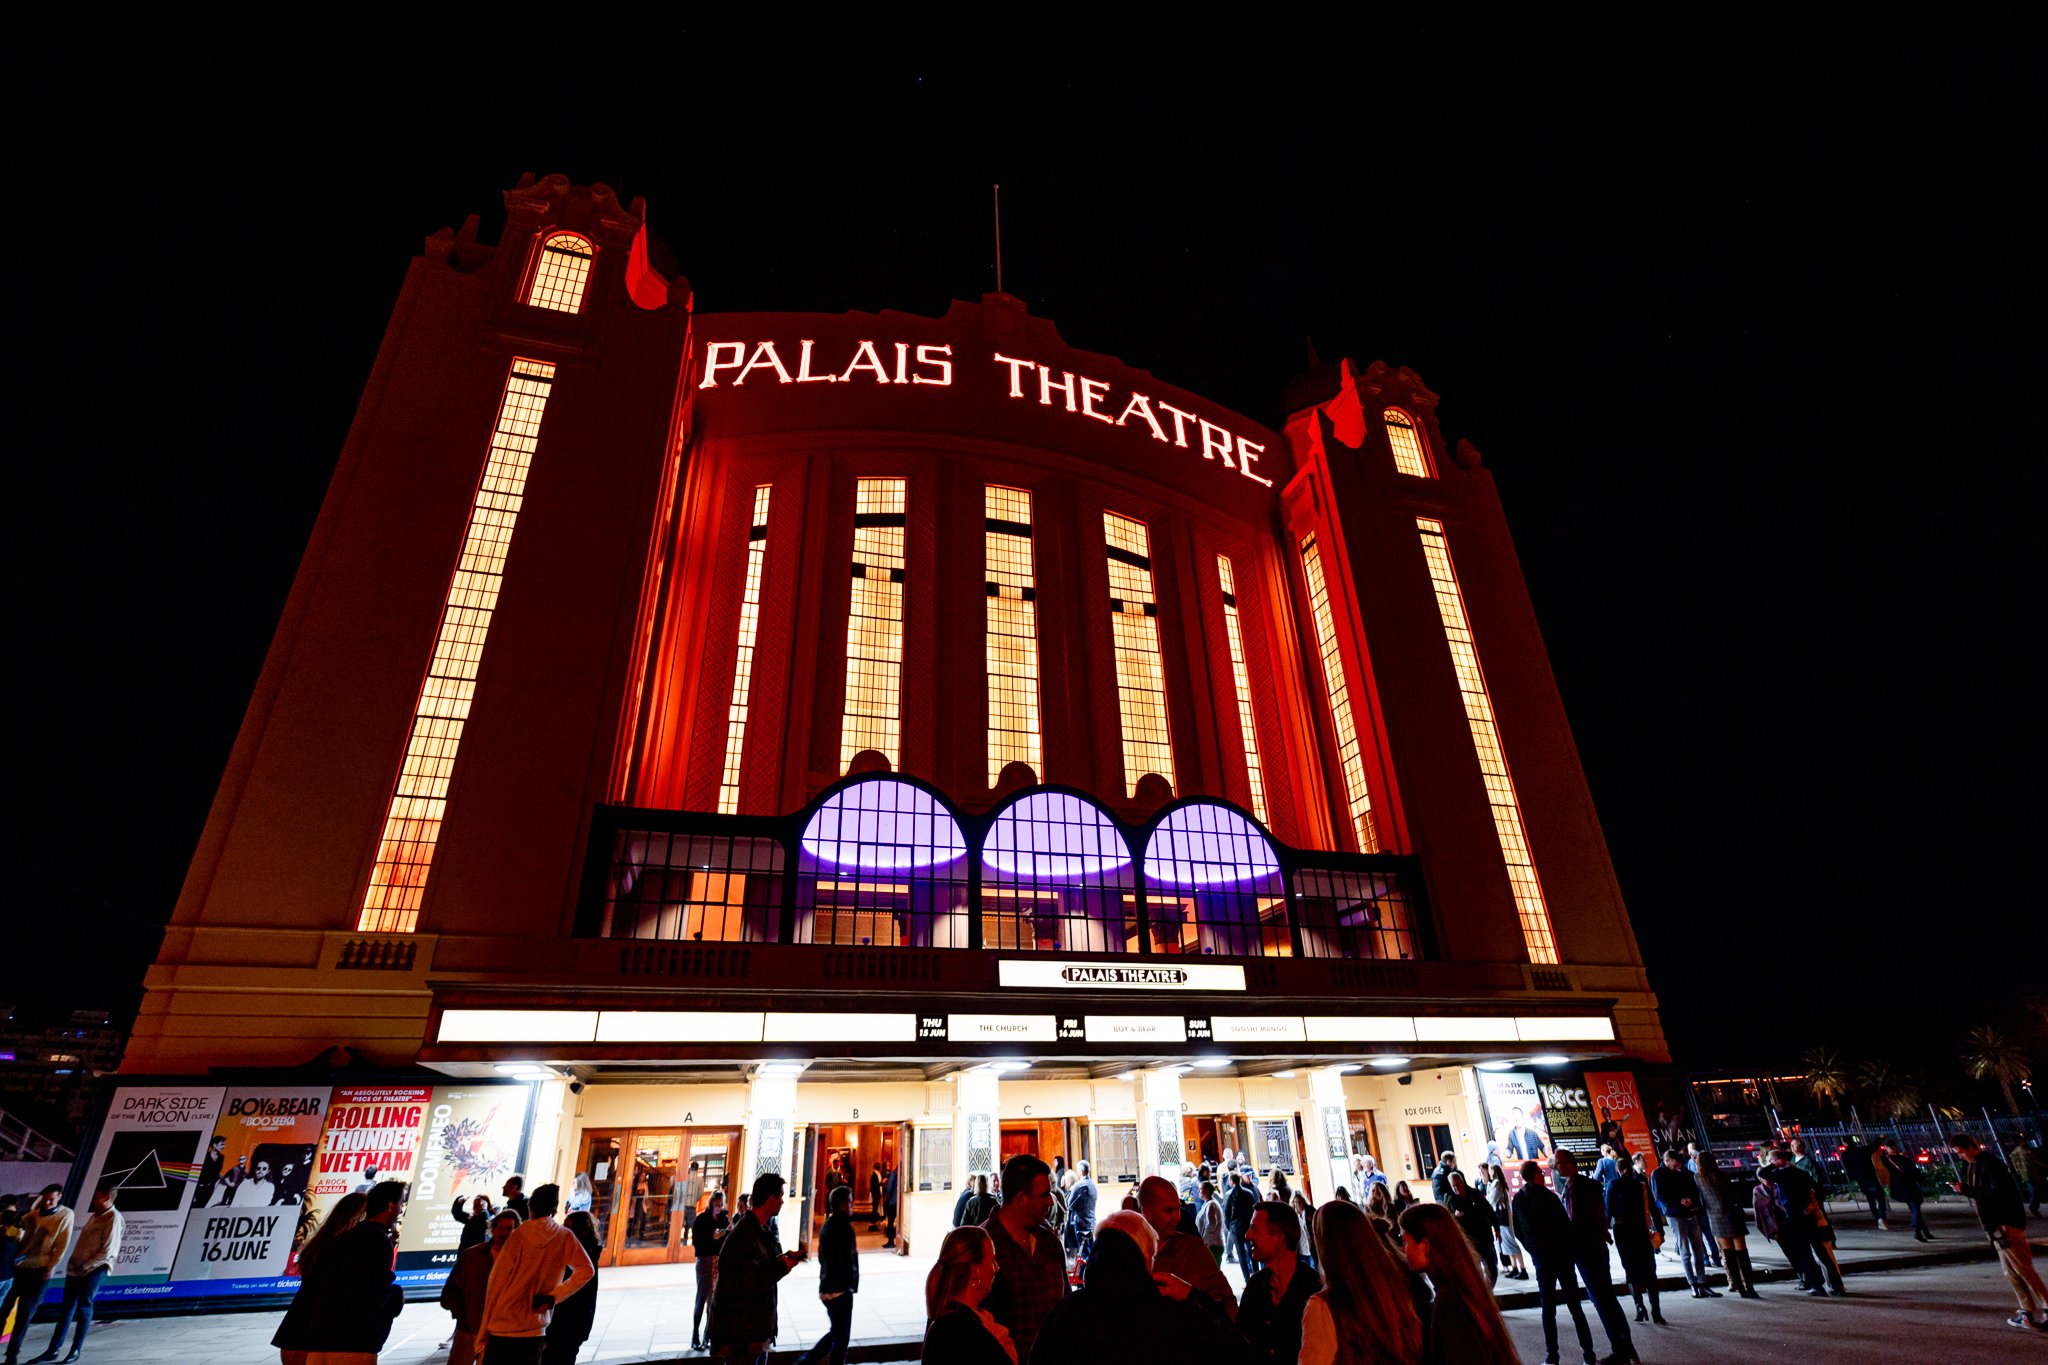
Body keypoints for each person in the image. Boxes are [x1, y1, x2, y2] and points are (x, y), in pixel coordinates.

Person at [1029, 1212, 1243, 1364]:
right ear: (1146, 1258)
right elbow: (1238, 1349)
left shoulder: (1064, 1313)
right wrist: (1192, 1295)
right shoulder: (1174, 1316)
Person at [479, 1182, 595, 1364]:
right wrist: (553, 1297)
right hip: (535, 1325)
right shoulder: (564, 1237)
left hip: (504, 1322)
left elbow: (496, 1281)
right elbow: (587, 1270)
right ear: (554, 1208)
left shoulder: (518, 1235)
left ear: (531, 1207)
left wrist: (482, 1333)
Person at [300, 1179, 407, 1363]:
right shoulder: (377, 1239)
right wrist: (396, 1295)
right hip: (352, 1341)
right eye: (400, 1203)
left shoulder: (345, 1238)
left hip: (321, 1338)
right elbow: (373, 1292)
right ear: (390, 1205)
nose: (400, 1209)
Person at [1949, 1133, 2048, 1331]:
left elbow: (1996, 1194)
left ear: (1971, 1147)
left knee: (2023, 1270)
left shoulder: (1990, 1165)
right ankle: (2026, 1312)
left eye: (1961, 1152)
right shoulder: (1977, 1165)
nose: (1960, 1156)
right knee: (2011, 1272)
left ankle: (2045, 1307)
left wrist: (1966, 1190)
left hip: (2006, 1224)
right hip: (1997, 1226)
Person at [1400, 1202, 1521, 1365]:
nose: (1402, 1249)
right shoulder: (1463, 1286)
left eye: (1405, 1241)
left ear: (1425, 1246)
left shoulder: (1448, 1302)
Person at [978, 1154, 1067, 1363]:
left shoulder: (1050, 1243)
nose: (1050, 1201)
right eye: (1044, 1195)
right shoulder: (982, 1248)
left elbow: (1064, 1307)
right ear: (1021, 1200)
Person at [1549, 1150, 1637, 1363]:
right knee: (1608, 1298)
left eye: (1558, 1163)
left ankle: (1619, 1350)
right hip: (1598, 1246)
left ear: (1568, 1163)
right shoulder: (1590, 1185)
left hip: (1585, 1250)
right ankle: (1627, 1346)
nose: (1556, 1167)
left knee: (1600, 1300)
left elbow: (1575, 1222)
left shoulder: (1574, 1187)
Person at [707, 1173, 802, 1365]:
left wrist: (782, 1260)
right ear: (771, 1199)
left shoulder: (760, 1229)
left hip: (754, 1331)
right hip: (741, 1334)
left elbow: (759, 1267)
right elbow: (750, 1282)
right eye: (781, 1197)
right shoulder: (745, 1235)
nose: (783, 1202)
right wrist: (782, 1267)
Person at [1512, 1160, 1598, 1365]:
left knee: (1548, 1309)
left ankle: (1552, 1356)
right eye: (1540, 1173)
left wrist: (1534, 1251)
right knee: (1575, 1308)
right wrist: (1568, 1251)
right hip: (1561, 1257)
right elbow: (1565, 1226)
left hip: (1542, 1260)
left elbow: (1519, 1231)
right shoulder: (1549, 1197)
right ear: (1535, 1175)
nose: (1543, 1175)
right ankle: (1588, 1354)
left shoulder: (1519, 1199)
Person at [26, 1185, 122, 1363]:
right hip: (77, 1267)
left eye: (98, 1198)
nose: (94, 1200)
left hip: (94, 1269)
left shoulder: (113, 1218)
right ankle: (53, 1349)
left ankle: (75, 1350)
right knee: (66, 1309)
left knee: (84, 1307)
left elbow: (108, 1251)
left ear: (108, 1198)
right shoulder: (96, 1215)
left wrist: (86, 1266)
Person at [1236, 1200, 1323, 1365]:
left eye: (1255, 1229)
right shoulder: (1255, 1285)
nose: (1247, 1235)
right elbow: (1239, 1339)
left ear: (1279, 1239)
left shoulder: (1313, 1287)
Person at [1138, 1175, 1236, 1320]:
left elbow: (1228, 1304)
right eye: (1169, 1211)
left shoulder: (1193, 1249)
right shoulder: (1129, 1252)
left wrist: (1190, 1295)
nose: (1178, 1217)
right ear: (1147, 1212)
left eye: (1178, 1209)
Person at [923, 1227, 1017, 1364]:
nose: (997, 1268)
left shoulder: (951, 1318)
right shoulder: (957, 1330)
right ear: (975, 1270)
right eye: (992, 1260)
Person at [2, 1188, 73, 1365]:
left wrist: (51, 1266)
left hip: (40, 1270)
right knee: (3, 1310)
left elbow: (62, 1244)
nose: (47, 1203)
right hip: (19, 1269)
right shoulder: (31, 1216)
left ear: (59, 1197)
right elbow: (17, 1236)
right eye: (45, 1199)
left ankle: (12, 1354)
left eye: (51, 1199)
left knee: (25, 1314)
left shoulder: (65, 1215)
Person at [1758, 1147, 1842, 1296]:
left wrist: (1774, 1164)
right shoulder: (1800, 1172)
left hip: (1794, 1216)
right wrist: (1810, 1205)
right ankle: (1837, 1285)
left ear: (1776, 1161)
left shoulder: (1781, 1174)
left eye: (1771, 1160)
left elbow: (1762, 1173)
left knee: (1805, 1252)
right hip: (1808, 1215)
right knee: (1821, 1251)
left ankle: (1817, 1285)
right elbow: (1817, 1187)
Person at [442, 1208, 518, 1365]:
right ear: (493, 1229)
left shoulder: (521, 1259)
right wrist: (462, 1316)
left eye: (509, 1229)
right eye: (500, 1228)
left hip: (503, 1331)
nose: (504, 1233)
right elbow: (451, 1291)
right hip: (470, 1327)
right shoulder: (472, 1256)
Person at [796, 1185, 858, 1365]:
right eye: (850, 1202)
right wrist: (848, 1283)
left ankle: (806, 1361)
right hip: (839, 1289)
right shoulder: (843, 1227)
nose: (852, 1205)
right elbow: (845, 1259)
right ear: (842, 1204)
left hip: (830, 1287)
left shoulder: (829, 1225)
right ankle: (807, 1361)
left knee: (837, 1332)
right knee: (841, 1338)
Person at [1604, 1155, 1664, 1326]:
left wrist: (1604, 1231)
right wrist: (1660, 1231)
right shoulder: (1641, 1185)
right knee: (1649, 1269)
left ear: (1618, 1170)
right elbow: (1653, 1209)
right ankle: (1656, 1311)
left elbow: (1609, 1210)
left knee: (1630, 1268)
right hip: (1641, 1229)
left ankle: (1639, 1306)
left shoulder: (1613, 1185)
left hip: (1623, 1230)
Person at [1692, 1149, 1758, 1298]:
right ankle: (1750, 1287)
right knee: (1742, 1253)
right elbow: (1733, 1194)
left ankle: (1740, 1287)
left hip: (1715, 1217)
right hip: (1731, 1214)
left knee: (1728, 1255)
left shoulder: (1698, 1178)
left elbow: (1701, 1199)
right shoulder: (1722, 1175)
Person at [1649, 1148, 1711, 1300]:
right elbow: (1660, 1196)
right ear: (1667, 1161)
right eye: (1675, 1164)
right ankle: (1693, 1283)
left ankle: (1702, 1282)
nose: (1678, 1166)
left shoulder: (1684, 1172)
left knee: (1699, 1250)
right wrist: (1679, 1201)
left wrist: (1692, 1202)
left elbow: (1694, 1189)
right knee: (1685, 1251)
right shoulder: (1658, 1174)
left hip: (1691, 1212)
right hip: (1676, 1214)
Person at [542, 1211, 602, 1365]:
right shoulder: (589, 1252)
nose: (563, 1230)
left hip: (566, 1322)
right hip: (577, 1322)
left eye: (567, 1227)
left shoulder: (578, 1256)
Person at [689, 1190, 730, 1350]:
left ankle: (707, 1334)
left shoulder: (723, 1219)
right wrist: (711, 1237)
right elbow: (696, 1241)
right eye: (716, 1204)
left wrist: (726, 1234)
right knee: (702, 1295)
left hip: (718, 1261)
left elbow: (726, 1241)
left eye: (721, 1204)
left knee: (713, 1299)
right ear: (711, 1203)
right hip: (705, 1260)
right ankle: (695, 1335)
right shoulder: (702, 1219)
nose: (718, 1207)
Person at [1441, 1170, 1497, 1288]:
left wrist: (1497, 1228)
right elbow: (1445, 1219)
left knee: (1491, 1266)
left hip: (1483, 1235)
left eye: (1458, 1185)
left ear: (1462, 1182)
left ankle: (1489, 1288)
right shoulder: (1449, 1198)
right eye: (1453, 1186)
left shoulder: (1474, 1194)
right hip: (1467, 1239)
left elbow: (1488, 1210)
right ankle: (1479, 1289)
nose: (1456, 1188)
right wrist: (1454, 1215)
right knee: (1472, 1268)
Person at [1880, 1139, 1931, 1242]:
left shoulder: (1885, 1160)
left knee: (1914, 1209)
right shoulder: (1903, 1159)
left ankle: (1924, 1231)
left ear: (1887, 1148)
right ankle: (1918, 1231)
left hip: (1898, 1188)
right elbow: (1914, 1172)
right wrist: (1921, 1180)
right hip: (1909, 1187)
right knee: (1915, 1208)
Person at [1842, 1135, 1886, 1229]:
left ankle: (1878, 1218)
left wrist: (1854, 1178)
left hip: (1861, 1180)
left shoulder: (1845, 1155)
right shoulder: (1862, 1150)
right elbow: (1873, 1146)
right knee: (1881, 1198)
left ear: (1844, 1143)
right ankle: (1882, 1216)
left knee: (1871, 1201)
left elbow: (1849, 1170)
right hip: (1871, 1177)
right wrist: (1879, 1138)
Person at [1224, 1171, 1259, 1276]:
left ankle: (1246, 1278)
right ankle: (1256, 1274)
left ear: (1231, 1181)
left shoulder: (1229, 1194)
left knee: (1241, 1254)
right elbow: (1253, 1210)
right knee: (1252, 1251)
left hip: (1235, 1228)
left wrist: (1230, 1227)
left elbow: (1227, 1214)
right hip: (1248, 1226)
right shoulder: (1248, 1193)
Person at [2008, 1134, 2042, 1219]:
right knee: (2035, 1190)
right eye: (2022, 1140)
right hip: (2030, 1173)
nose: (2025, 1141)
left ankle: (2033, 1206)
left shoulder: (2015, 1153)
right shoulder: (2025, 1151)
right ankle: (2033, 1206)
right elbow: (2035, 1161)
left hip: (2026, 1174)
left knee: (2034, 1190)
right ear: (2019, 1142)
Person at [1196, 1180, 1226, 1266]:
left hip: (1212, 1244)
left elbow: (1211, 1225)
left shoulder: (1211, 1205)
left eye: (1200, 1189)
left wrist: (1204, 1241)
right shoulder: (1208, 1204)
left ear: (1207, 1191)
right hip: (1211, 1244)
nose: (1198, 1191)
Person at [882, 1162, 900, 1248]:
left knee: (890, 1222)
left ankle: (890, 1241)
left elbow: (889, 1188)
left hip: (892, 1201)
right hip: (898, 1201)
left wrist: (887, 1197)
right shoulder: (901, 1175)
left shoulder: (893, 1174)